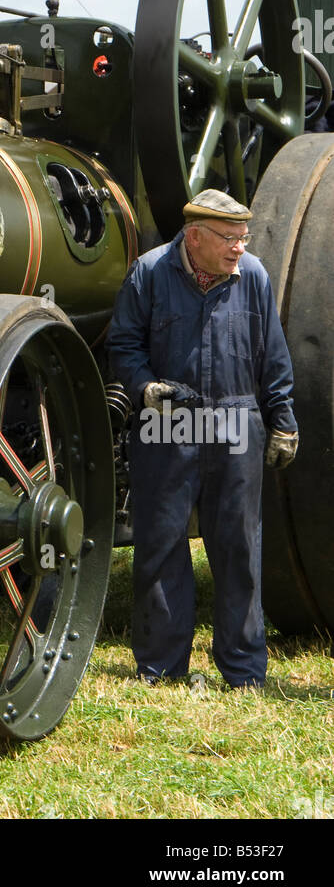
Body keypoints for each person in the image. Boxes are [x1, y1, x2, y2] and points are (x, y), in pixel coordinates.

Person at [107, 189, 298, 691]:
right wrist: (145, 387)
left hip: (237, 421)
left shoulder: (252, 275)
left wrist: (283, 421)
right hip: (166, 422)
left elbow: (273, 355)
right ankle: (161, 669)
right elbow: (122, 345)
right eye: (229, 239)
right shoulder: (148, 273)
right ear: (194, 237)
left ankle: (243, 672)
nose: (240, 248)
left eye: (243, 238)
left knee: (239, 548)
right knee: (161, 546)